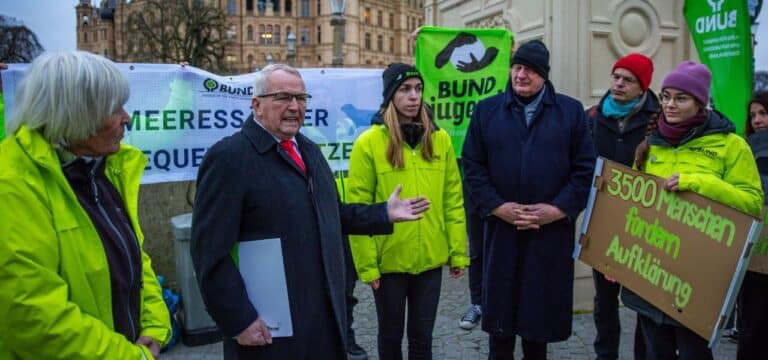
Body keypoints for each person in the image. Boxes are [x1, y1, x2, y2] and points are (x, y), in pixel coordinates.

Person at [190, 63, 431, 360]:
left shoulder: (309, 151)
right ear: (257, 105)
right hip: (269, 329)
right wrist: (239, 320)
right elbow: (208, 254)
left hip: (321, 316)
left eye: (301, 98)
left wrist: (382, 213)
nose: (294, 106)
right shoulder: (229, 158)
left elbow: (333, 214)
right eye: (283, 97)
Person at [0, 52, 171, 359]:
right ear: (73, 113)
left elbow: (137, 260)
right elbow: (32, 315)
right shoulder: (11, 183)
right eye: (112, 108)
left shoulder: (102, 169)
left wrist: (154, 330)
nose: (127, 118)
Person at [462, 40, 596, 359]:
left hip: (547, 234)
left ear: (544, 76)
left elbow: (584, 169)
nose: (521, 75)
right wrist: (497, 206)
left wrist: (558, 209)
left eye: (531, 70)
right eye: (517, 67)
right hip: (501, 232)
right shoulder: (487, 110)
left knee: (538, 326)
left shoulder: (570, 111)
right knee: (500, 325)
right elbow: (472, 166)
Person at [625, 61, 763, 360]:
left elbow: (752, 203)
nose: (670, 105)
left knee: (693, 353)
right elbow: (632, 206)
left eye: (680, 98)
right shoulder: (650, 145)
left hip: (699, 275)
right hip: (651, 269)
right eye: (665, 96)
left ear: (700, 102)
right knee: (655, 352)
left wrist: (699, 184)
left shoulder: (731, 145)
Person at [347, 63, 468, 360]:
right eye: (405, 89)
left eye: (418, 89)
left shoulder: (440, 140)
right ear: (391, 95)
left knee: (422, 340)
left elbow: (453, 199)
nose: (414, 96)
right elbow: (357, 209)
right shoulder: (369, 143)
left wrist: (458, 252)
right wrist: (368, 266)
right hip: (389, 261)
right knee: (389, 338)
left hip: (430, 259)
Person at [586, 53, 657, 360]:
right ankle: (606, 354)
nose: (618, 84)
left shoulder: (659, 120)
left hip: (643, 225)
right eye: (616, 76)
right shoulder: (592, 116)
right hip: (602, 219)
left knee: (643, 300)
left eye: (628, 80)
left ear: (642, 87)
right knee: (604, 300)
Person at [738, 91, 768, 360]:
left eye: (763, 113)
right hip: (755, 248)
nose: (757, 120)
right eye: (753, 115)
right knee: (751, 320)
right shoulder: (744, 148)